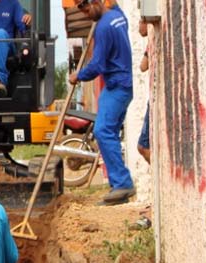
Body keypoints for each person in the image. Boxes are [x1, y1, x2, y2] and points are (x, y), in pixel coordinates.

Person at [69, 0, 135, 204]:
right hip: (123, 86)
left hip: (116, 86)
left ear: (96, 1)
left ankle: (123, 184)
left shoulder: (104, 27)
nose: (86, 13)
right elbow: (116, 7)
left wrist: (77, 76)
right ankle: (119, 189)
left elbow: (97, 64)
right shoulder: (118, 17)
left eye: (86, 8)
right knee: (110, 132)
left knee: (103, 131)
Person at [137, 20, 151, 164]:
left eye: (141, 21)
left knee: (143, 146)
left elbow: (143, 66)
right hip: (153, 99)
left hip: (155, 101)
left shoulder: (151, 43)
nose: (139, 26)